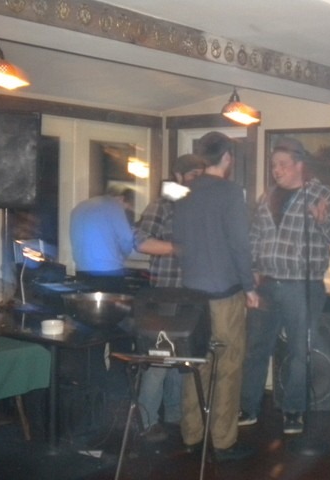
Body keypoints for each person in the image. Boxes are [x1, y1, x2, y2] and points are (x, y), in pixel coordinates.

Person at [238, 136, 330, 434]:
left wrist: (323, 221)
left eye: (282, 164)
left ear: (300, 164)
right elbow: (255, 236)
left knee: (299, 351)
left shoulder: (320, 194)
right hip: (266, 283)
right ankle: (248, 408)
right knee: (256, 348)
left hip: (302, 286)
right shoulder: (268, 196)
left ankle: (293, 412)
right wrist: (252, 272)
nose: (276, 170)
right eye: (274, 165)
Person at [172, 131, 259, 462]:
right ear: (227, 158)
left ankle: (191, 436)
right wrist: (249, 287)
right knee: (228, 366)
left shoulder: (184, 192)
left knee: (197, 364)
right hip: (224, 295)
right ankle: (223, 443)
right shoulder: (231, 192)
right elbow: (240, 244)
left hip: (191, 297)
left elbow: (179, 242)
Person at [133, 153, 207, 443]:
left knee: (181, 360)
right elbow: (140, 242)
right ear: (178, 176)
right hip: (165, 295)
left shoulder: (201, 206)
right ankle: (147, 422)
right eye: (193, 175)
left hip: (193, 297)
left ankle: (174, 417)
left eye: (201, 174)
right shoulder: (162, 205)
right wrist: (178, 248)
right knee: (159, 361)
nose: (198, 180)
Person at [69, 186, 135, 293]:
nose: (125, 211)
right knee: (113, 303)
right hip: (109, 272)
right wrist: (125, 254)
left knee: (86, 302)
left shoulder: (79, 206)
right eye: (127, 207)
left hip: (82, 270)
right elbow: (127, 238)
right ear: (121, 198)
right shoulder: (114, 206)